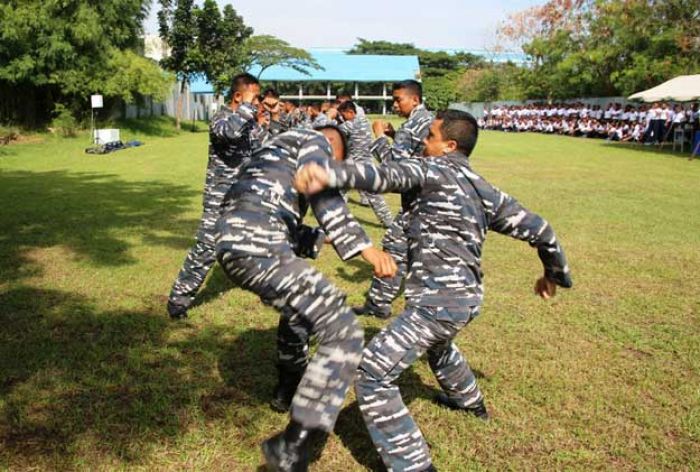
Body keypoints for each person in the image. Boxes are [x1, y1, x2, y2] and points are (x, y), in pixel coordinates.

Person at [294, 109, 573, 472]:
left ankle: (413, 466)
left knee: (373, 373)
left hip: (436, 304)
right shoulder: (484, 187)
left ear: (449, 146)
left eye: (430, 137)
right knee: (439, 347)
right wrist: (553, 273)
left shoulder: (430, 169)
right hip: (467, 300)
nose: (424, 143)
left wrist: (327, 172)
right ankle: (470, 402)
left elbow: (384, 174)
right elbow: (542, 229)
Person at [214, 125, 397, 471]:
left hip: (233, 244)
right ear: (332, 145)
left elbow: (271, 210)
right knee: (345, 331)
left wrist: (322, 238)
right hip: (261, 245)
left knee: (304, 311)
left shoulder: (270, 154)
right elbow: (323, 195)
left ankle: (288, 388)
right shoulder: (315, 140)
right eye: (335, 163)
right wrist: (367, 250)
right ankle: (292, 445)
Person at [166, 73, 262, 319]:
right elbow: (228, 134)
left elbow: (259, 151)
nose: (257, 102)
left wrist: (263, 124)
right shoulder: (221, 117)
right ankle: (178, 301)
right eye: (254, 97)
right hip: (219, 197)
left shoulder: (250, 120)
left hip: (245, 196)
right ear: (238, 96)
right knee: (206, 248)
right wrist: (248, 109)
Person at [354, 79, 434, 319]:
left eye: (398, 100)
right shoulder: (427, 121)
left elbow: (394, 170)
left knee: (396, 248)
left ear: (415, 99)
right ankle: (381, 303)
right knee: (413, 252)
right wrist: (394, 134)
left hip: (417, 203)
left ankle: (380, 304)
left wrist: (378, 137)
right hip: (431, 199)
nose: (395, 105)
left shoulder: (411, 127)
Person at [337, 100, 394, 228]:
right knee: (372, 195)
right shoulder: (364, 121)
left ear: (350, 112)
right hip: (366, 162)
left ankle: (338, 218)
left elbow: (333, 133)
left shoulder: (349, 125)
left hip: (355, 165)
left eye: (343, 115)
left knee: (342, 191)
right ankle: (388, 221)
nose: (342, 118)